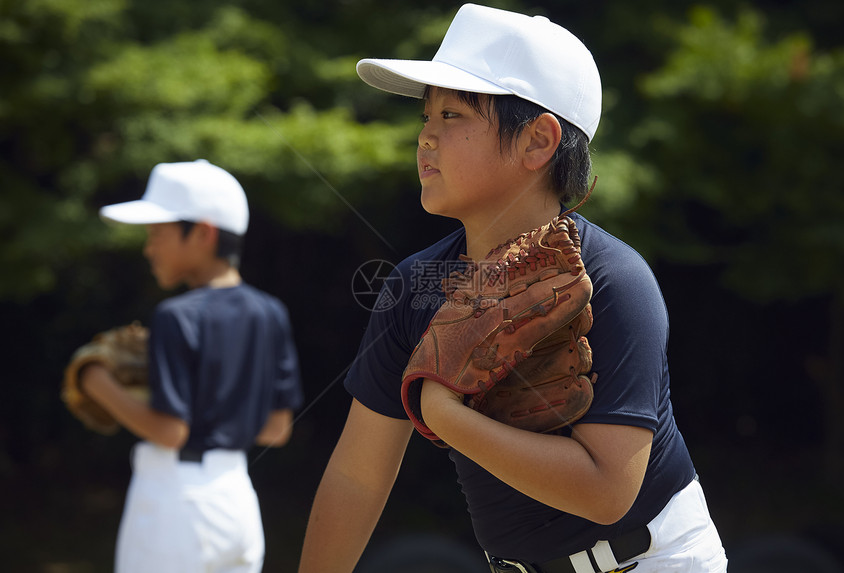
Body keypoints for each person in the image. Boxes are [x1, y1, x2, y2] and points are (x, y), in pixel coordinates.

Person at [298, 4, 727, 573]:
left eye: (451, 115)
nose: (426, 136)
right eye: (426, 116)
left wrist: (443, 413)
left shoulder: (612, 280)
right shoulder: (414, 289)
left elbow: (607, 491)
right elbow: (357, 475)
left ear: (537, 142)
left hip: (651, 561)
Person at [81, 159, 304, 573]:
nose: (149, 248)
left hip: (177, 503)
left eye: (158, 234)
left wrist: (96, 383)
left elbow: (170, 431)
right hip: (238, 499)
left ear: (203, 233)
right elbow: (277, 429)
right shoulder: (270, 312)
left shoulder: (176, 315)